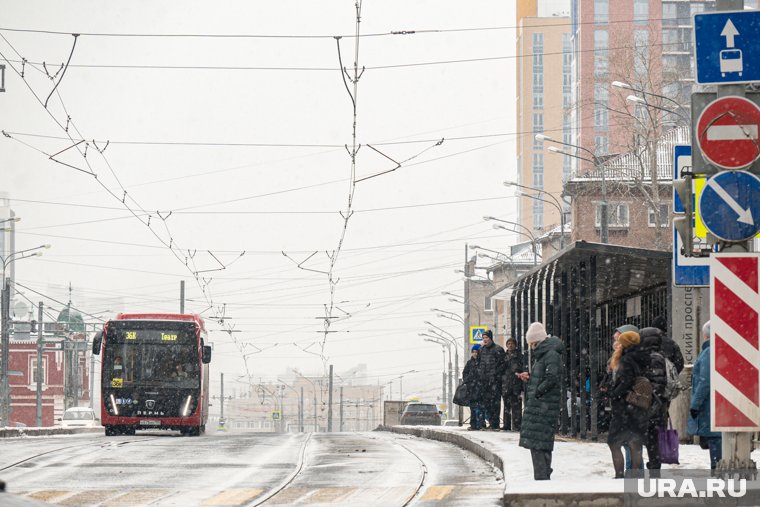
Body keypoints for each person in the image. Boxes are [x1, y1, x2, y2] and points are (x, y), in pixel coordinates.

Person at [518, 322, 564, 480]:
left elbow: (552, 378)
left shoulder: (550, 354)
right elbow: (546, 378)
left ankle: (542, 477)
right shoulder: (545, 354)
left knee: (538, 443)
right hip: (541, 404)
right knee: (539, 442)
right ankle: (543, 475)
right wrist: (530, 379)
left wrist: (537, 392)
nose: (531, 347)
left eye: (531, 343)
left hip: (544, 405)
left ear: (537, 341)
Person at [607, 330, 650, 478]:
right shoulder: (644, 357)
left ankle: (620, 475)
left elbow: (626, 382)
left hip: (624, 407)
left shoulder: (626, 360)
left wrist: (613, 394)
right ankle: (636, 474)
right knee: (635, 443)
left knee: (614, 442)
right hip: (639, 407)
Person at [688, 321, 721, 470]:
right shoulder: (719, 350)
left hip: (709, 405)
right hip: (718, 403)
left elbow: (705, 381)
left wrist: (695, 404)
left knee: (715, 439)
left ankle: (717, 470)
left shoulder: (708, 352)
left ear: (705, 335)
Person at [639, 326, 669, 471]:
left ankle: (654, 466)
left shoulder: (654, 358)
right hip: (658, 405)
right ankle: (654, 464)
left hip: (653, 405)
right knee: (652, 438)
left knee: (652, 438)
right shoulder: (660, 356)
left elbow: (657, 383)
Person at [477, 330, 506, 430]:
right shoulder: (481, 350)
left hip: (495, 382)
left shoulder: (498, 349)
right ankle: (490, 422)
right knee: (486, 403)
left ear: (491, 338)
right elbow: (479, 364)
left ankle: (495, 424)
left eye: (486, 338)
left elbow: (503, 365)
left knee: (495, 403)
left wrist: (496, 376)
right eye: (483, 338)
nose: (485, 340)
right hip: (484, 382)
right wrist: (480, 376)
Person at [501, 337, 524, 431]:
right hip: (506, 384)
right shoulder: (503, 357)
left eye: (512, 343)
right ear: (506, 345)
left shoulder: (520, 356)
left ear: (515, 345)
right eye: (508, 344)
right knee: (506, 406)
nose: (510, 345)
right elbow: (500, 370)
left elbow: (522, 369)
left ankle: (517, 425)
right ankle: (506, 425)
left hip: (516, 384)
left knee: (517, 406)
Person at [463, 344, 484, 431]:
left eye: (477, 352)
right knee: (473, 408)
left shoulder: (482, 362)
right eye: (473, 352)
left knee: (481, 408)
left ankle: (482, 424)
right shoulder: (469, 363)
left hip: (481, 389)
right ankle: (473, 425)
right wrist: (469, 381)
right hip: (472, 389)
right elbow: (465, 374)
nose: (475, 354)